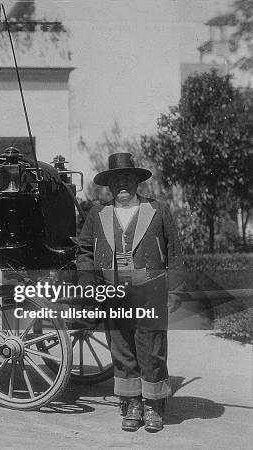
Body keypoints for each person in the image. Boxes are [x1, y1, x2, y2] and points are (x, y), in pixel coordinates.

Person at [76, 153, 184, 432]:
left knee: (152, 349)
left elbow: (174, 253)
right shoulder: (97, 214)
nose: (122, 184)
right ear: (109, 186)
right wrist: (90, 286)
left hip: (151, 291)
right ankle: (132, 403)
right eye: (116, 180)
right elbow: (85, 252)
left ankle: (153, 405)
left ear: (137, 182)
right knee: (121, 349)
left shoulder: (158, 210)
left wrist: (176, 290)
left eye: (127, 178)